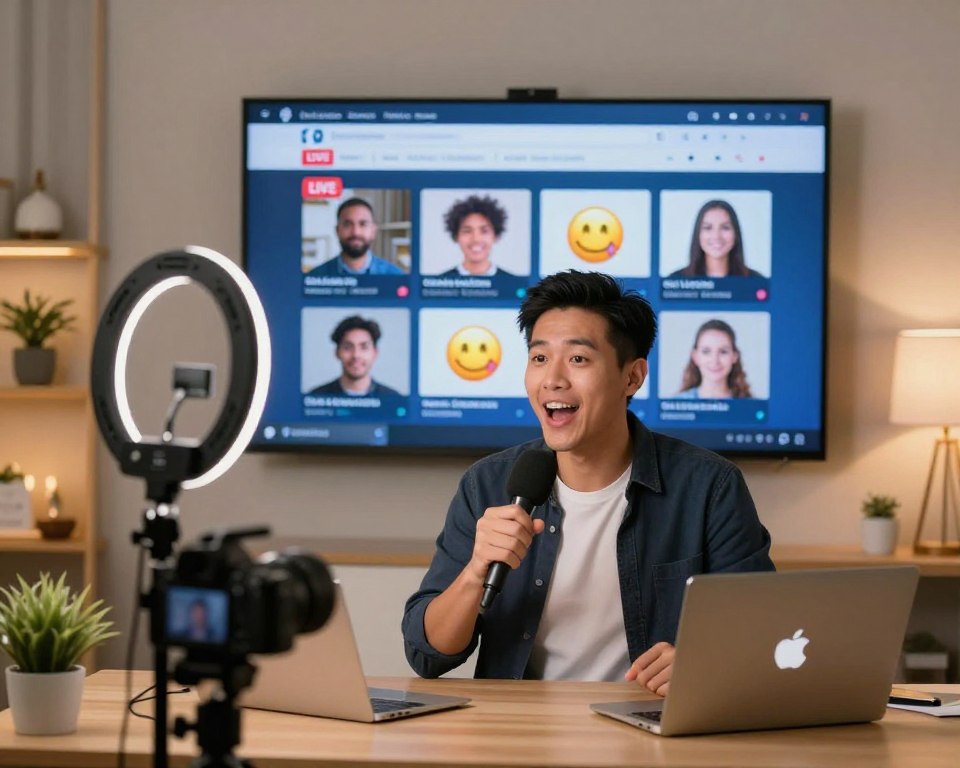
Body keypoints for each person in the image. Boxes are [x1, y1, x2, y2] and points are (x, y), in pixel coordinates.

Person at [402, 271, 773, 694]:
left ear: (632, 378)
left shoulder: (710, 487)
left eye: (578, 359)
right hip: (523, 733)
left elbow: (761, 636)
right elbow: (426, 654)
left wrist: (704, 661)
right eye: (539, 358)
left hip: (651, 731)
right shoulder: (487, 484)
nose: (553, 379)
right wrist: (474, 572)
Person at [308, 198, 405, 276]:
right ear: (337, 231)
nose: (355, 232)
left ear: (373, 231)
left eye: (363, 224)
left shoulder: (395, 276)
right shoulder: (315, 277)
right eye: (347, 224)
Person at [668, 199, 763, 278]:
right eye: (708, 228)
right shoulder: (675, 281)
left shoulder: (756, 281)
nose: (716, 236)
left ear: (736, 233)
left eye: (725, 228)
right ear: (698, 233)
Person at [309, 315, 400, 396]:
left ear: (375, 353)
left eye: (364, 347)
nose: (356, 355)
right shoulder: (317, 397)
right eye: (347, 347)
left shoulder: (392, 399)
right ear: (337, 353)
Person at [438, 194, 514, 277]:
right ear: (456, 236)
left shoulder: (512, 284)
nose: (476, 239)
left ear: (495, 236)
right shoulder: (441, 283)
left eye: (484, 231)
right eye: (467, 231)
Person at [676, 319, 753, 399]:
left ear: (735, 356)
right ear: (695, 357)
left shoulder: (750, 407)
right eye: (706, 351)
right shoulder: (677, 405)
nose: (715, 360)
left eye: (723, 351)